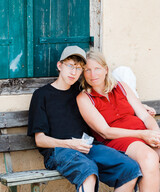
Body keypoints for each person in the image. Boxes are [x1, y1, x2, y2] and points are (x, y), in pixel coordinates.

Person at [28, 46, 142, 192]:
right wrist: (71, 144)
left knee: (130, 169)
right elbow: (40, 140)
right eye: (70, 66)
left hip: (88, 147)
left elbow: (111, 100)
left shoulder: (82, 92)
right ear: (59, 65)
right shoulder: (41, 95)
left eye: (79, 68)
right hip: (59, 151)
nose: (74, 72)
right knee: (88, 171)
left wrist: (141, 106)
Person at [77, 49, 160, 192]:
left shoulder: (121, 87)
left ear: (106, 69)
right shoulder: (84, 98)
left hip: (142, 133)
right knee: (149, 158)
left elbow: (145, 116)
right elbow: (105, 132)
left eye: (97, 69)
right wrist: (142, 135)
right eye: (87, 70)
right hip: (117, 140)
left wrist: (156, 133)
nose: (93, 74)